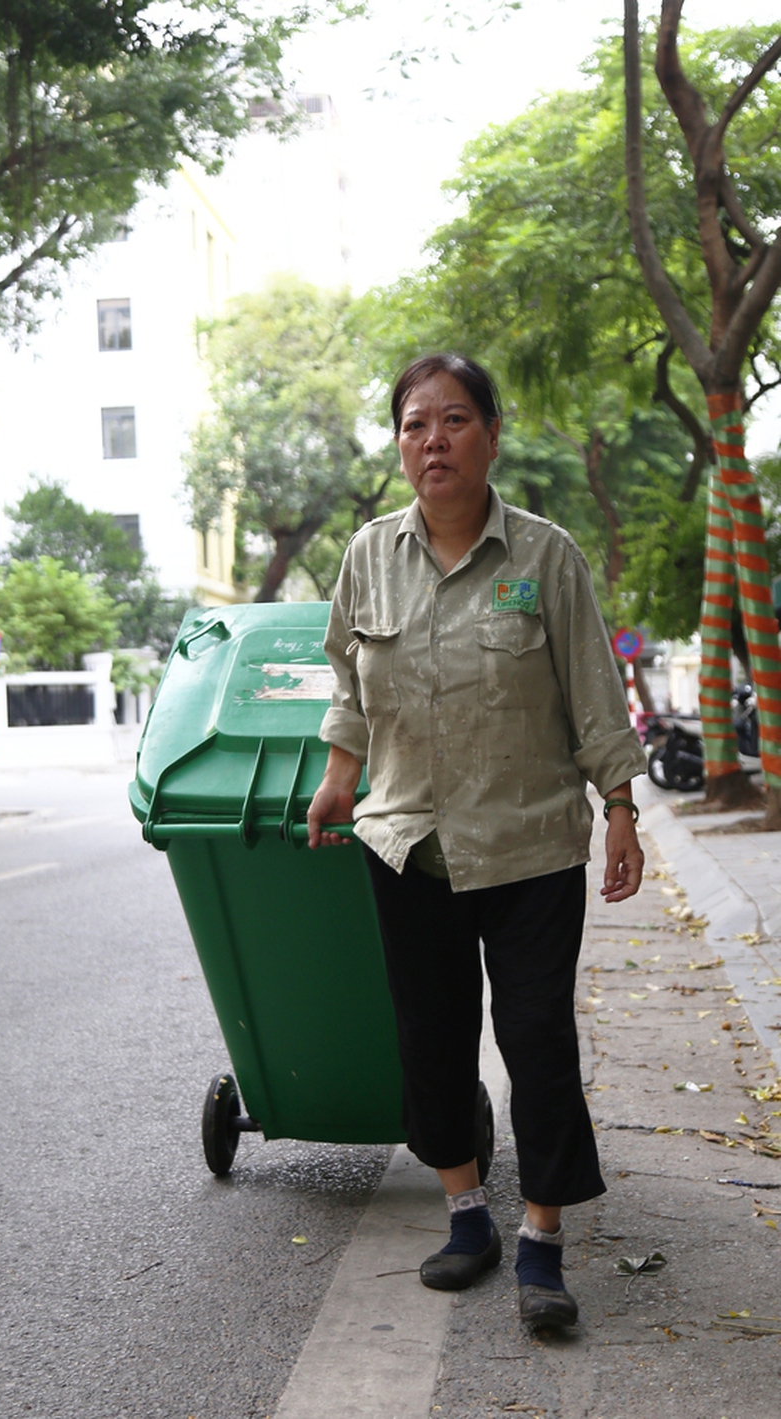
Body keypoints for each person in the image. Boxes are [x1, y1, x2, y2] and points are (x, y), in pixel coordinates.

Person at [306, 352, 646, 1330]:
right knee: (432, 1034)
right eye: (415, 424)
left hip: (532, 842)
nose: (433, 440)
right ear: (400, 445)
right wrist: (338, 779)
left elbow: (593, 689)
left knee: (535, 1037)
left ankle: (541, 1234)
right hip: (408, 841)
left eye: (454, 420)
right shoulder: (368, 556)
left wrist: (619, 807)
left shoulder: (545, 557)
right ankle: (465, 1214)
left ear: (490, 437)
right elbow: (346, 683)